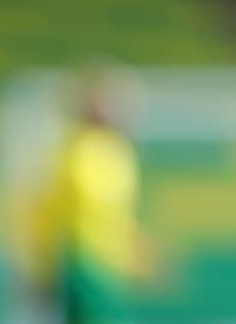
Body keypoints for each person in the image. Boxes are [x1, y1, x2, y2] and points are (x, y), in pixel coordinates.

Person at [29, 67, 154, 324]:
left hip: (111, 267)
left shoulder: (120, 153)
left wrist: (135, 247)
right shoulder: (73, 152)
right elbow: (49, 215)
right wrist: (43, 267)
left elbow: (116, 215)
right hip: (81, 263)